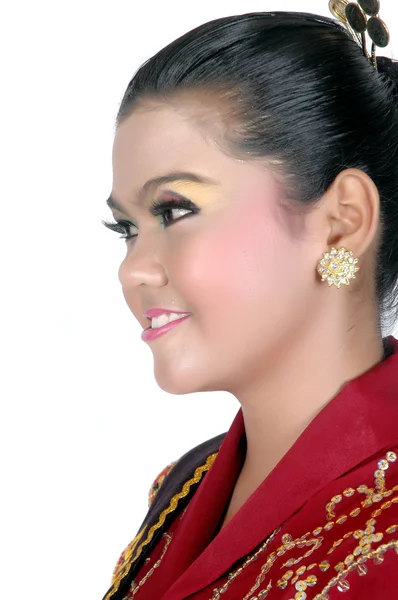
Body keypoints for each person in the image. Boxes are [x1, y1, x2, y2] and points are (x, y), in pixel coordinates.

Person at [101, 3, 398, 599]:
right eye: (127, 228)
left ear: (342, 222)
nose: (134, 269)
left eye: (174, 211)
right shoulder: (181, 490)